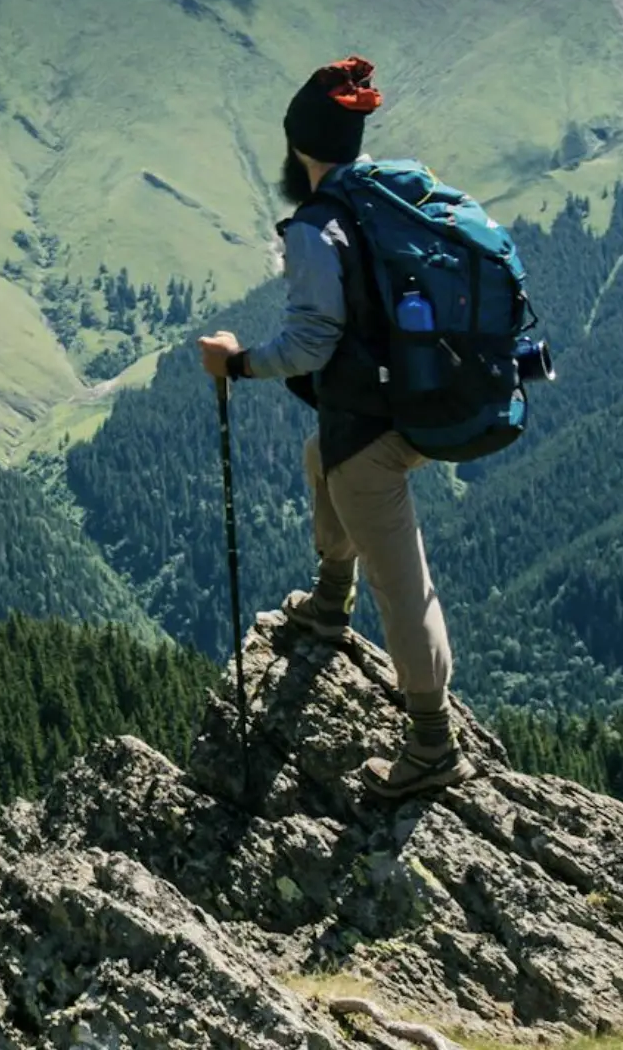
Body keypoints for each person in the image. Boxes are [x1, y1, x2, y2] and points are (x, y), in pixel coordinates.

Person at [198, 56, 476, 798]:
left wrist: (237, 362)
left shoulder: (319, 227)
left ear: (298, 149)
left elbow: (311, 343)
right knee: (321, 454)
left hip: (375, 428)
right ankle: (329, 602)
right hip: (426, 396)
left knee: (402, 581)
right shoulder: (389, 194)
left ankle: (432, 743)